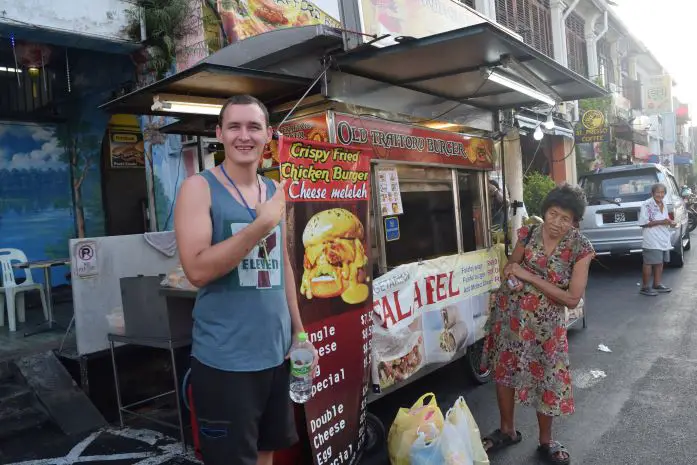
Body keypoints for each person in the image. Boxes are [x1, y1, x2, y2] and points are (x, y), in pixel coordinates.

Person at [174, 94, 318, 465]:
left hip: (274, 356)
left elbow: (283, 265)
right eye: (234, 126)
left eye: (254, 126)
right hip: (225, 361)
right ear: (219, 133)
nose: (244, 135)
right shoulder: (198, 188)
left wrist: (300, 333)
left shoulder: (272, 191)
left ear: (268, 135)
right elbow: (197, 270)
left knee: (267, 453)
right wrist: (261, 225)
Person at [480, 183, 595, 465]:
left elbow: (571, 298)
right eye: (553, 214)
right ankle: (507, 430)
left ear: (575, 221)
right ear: (546, 211)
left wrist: (529, 277)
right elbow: (512, 266)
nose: (556, 223)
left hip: (546, 329)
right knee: (504, 372)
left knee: (547, 377)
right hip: (511, 319)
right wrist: (513, 276)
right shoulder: (529, 232)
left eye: (565, 218)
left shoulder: (581, 248)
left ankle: (547, 441)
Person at [638, 183, 676, 296]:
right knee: (649, 263)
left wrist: (670, 222)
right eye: (658, 192)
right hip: (652, 238)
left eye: (662, 192)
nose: (660, 195)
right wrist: (662, 222)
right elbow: (643, 223)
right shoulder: (647, 205)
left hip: (663, 237)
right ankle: (645, 287)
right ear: (652, 193)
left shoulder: (664, 203)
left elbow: (664, 219)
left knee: (660, 262)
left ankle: (657, 284)